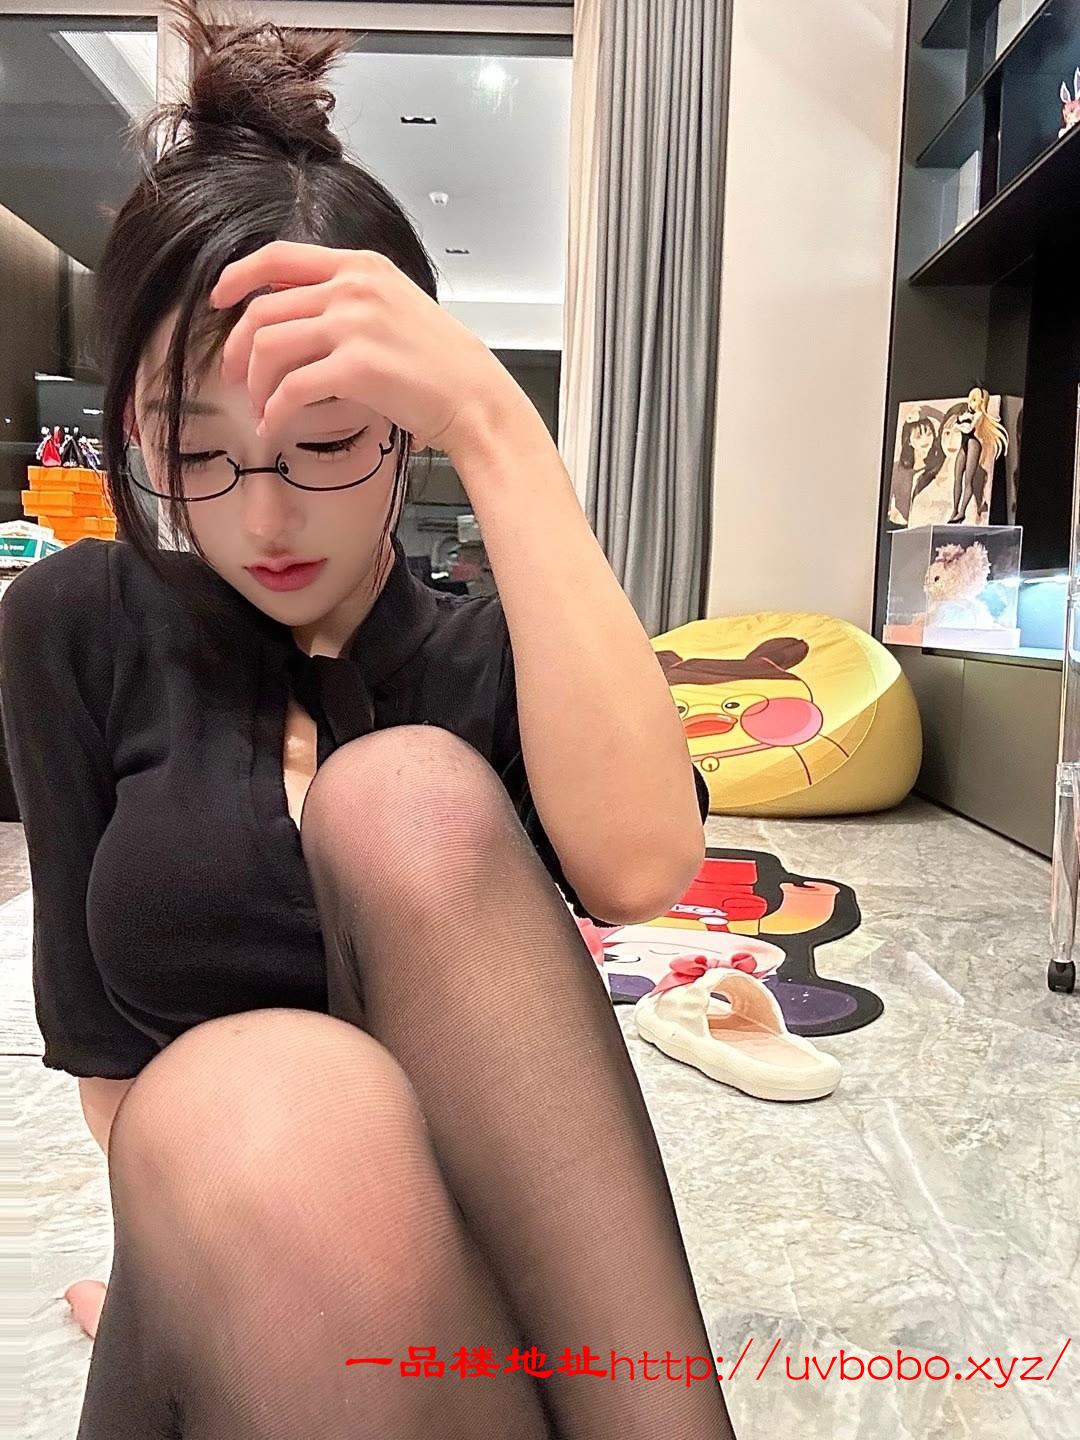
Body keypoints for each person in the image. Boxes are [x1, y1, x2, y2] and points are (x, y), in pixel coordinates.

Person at [0, 5, 736, 1438]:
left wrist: (502, 429)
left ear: (404, 425)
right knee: (265, 1090)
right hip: (236, 1255)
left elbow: (647, 868)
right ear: (136, 429)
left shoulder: (486, 651)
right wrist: (209, 1260)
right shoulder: (74, 625)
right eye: (196, 450)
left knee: (405, 793)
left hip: (486, 1312)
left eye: (328, 440)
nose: (264, 517)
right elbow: (105, 1062)